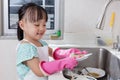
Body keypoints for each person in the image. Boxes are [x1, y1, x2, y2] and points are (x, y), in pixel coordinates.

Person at [16, 2, 87, 80]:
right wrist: (63, 62)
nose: (42, 28)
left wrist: (68, 53)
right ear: (22, 25)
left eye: (44, 24)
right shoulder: (26, 48)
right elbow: (39, 70)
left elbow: (53, 52)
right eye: (37, 25)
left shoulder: (41, 43)